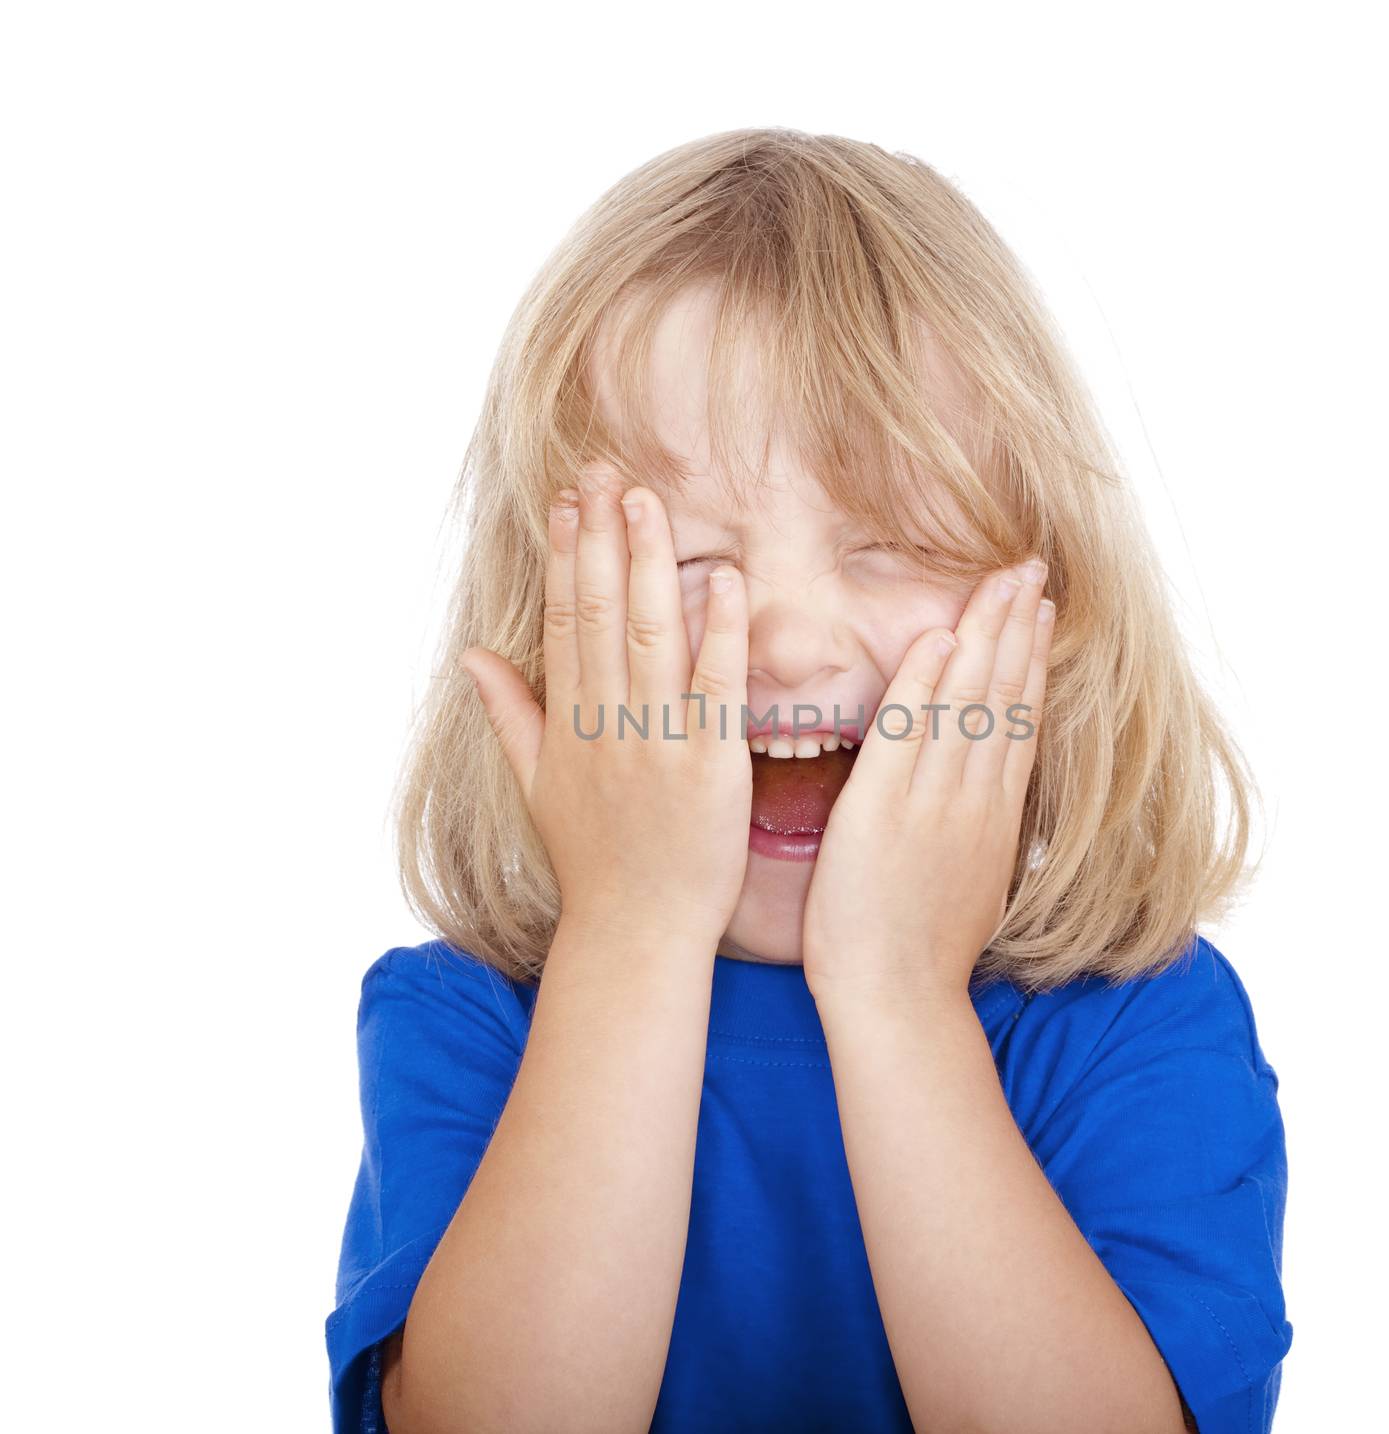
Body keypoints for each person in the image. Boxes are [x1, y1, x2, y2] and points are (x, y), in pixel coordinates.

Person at [325, 127, 1292, 1434]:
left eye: (890, 540)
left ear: (1058, 615)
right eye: (682, 555)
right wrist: (632, 928)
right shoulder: (468, 1025)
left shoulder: (1137, 1028)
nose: (782, 635)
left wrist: (898, 992)